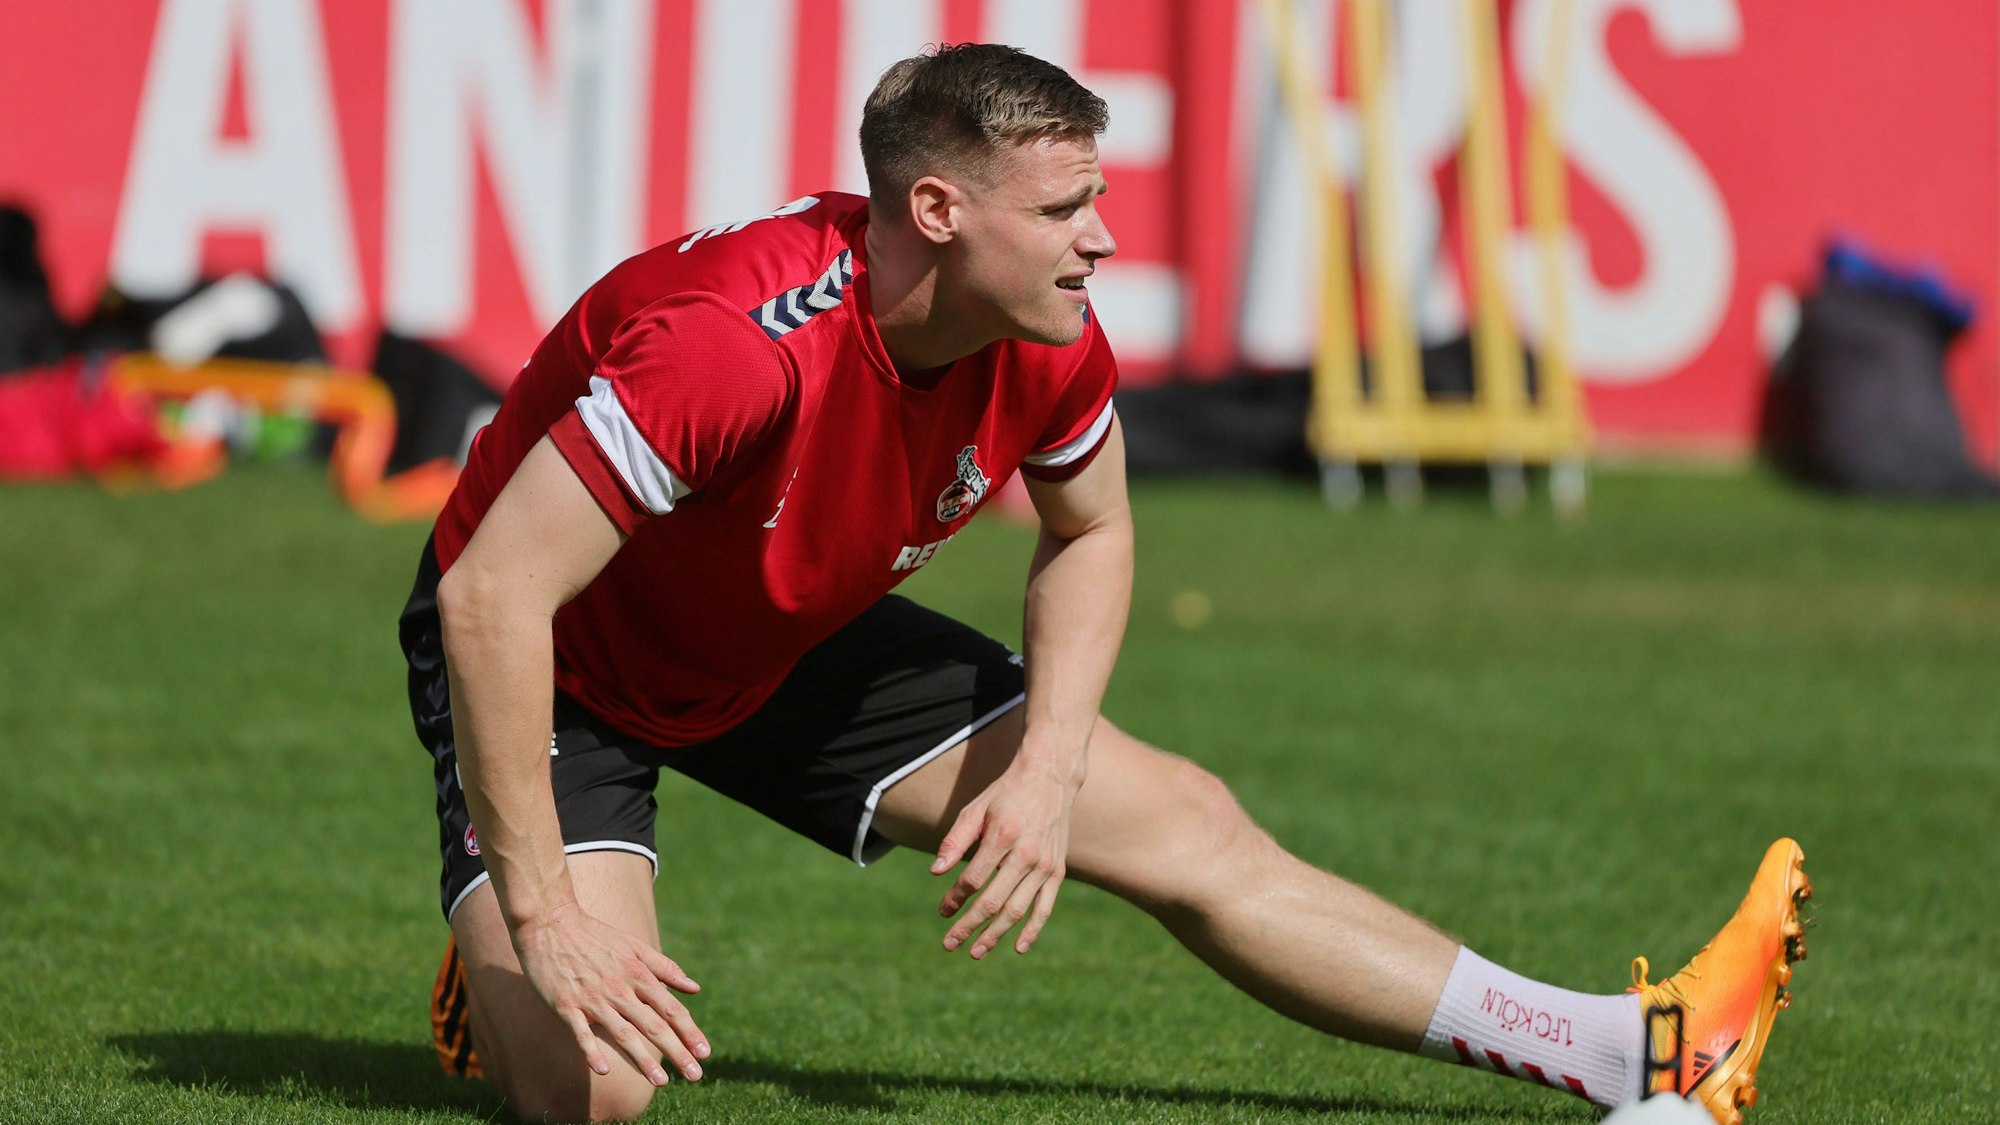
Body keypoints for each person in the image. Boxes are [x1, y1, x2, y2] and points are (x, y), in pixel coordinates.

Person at [400, 43, 1809, 1125]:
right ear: (939, 209)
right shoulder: (732, 348)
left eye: (1101, 201)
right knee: (596, 1089)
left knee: (1186, 820)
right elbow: (489, 601)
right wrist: (543, 917)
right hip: (561, 661)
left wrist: (1051, 766)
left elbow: (1093, 534)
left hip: (779, 631)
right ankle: (505, 966)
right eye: (1068, 206)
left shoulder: (1049, 331)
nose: (1104, 238)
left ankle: (1639, 1048)